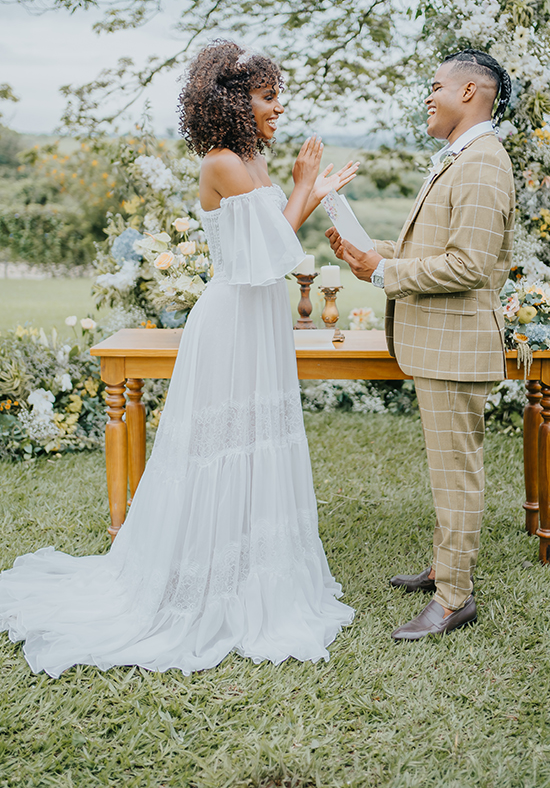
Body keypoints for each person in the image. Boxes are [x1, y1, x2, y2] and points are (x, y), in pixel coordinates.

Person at [0, 39, 357, 676]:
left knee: (257, 439)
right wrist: (306, 185)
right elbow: (269, 256)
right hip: (230, 322)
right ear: (234, 102)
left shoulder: (252, 158)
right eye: (267, 97)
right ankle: (200, 584)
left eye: (278, 97)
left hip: (259, 321)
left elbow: (273, 237)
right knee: (217, 447)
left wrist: (308, 188)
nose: (278, 108)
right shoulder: (223, 161)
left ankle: (251, 572)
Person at [326, 48, 515, 641]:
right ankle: (445, 570)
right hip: (440, 344)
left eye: (435, 86)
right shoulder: (460, 157)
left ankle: (455, 597)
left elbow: (469, 265)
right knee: (446, 471)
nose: (426, 97)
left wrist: (384, 275)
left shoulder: (483, 163)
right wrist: (374, 251)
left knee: (456, 473)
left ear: (470, 93)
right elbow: (436, 245)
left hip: (456, 344)